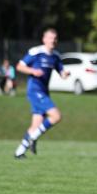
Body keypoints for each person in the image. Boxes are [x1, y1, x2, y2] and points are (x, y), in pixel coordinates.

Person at [13, 28, 70, 159]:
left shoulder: (55, 56)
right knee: (56, 116)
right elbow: (19, 66)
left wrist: (65, 74)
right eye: (50, 38)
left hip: (44, 92)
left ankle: (19, 152)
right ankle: (33, 138)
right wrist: (33, 71)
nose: (53, 41)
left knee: (36, 125)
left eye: (55, 38)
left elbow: (62, 73)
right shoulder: (36, 52)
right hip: (35, 90)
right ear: (44, 39)